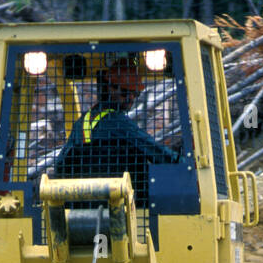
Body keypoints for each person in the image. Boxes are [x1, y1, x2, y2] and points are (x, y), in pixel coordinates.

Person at [53, 53, 180, 208]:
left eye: (135, 94)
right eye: (125, 93)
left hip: (80, 210)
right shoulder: (119, 124)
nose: (130, 99)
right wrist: (183, 162)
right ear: (109, 87)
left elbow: (61, 164)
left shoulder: (81, 124)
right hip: (123, 208)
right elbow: (157, 153)